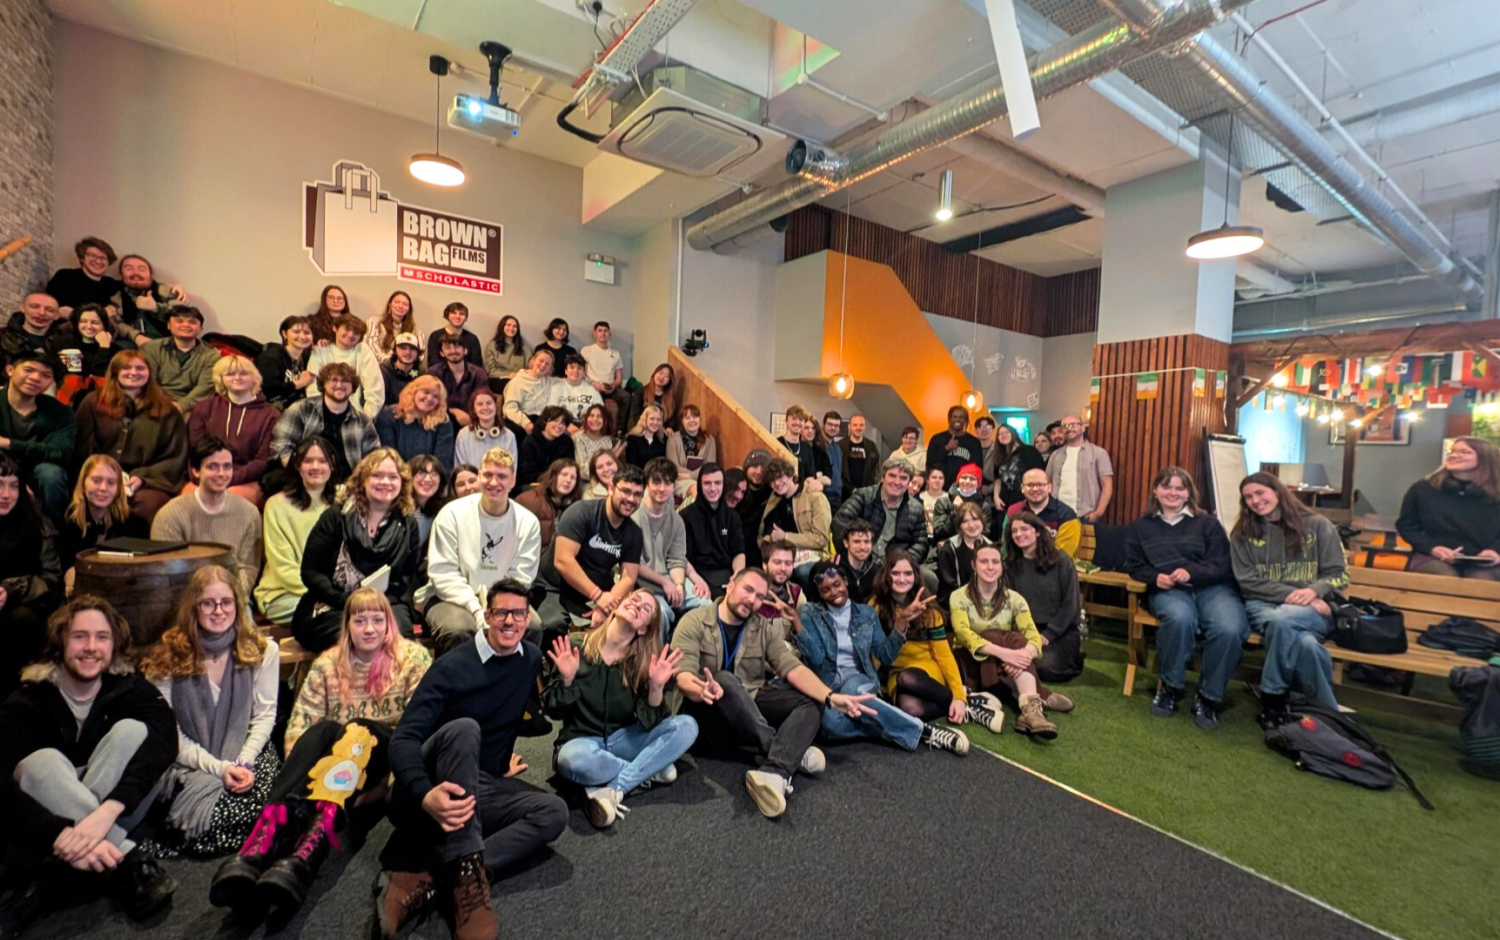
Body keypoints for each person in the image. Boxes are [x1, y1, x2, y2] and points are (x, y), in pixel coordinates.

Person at [209, 588, 433, 913]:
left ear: (389, 623)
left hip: (382, 759)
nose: (369, 629)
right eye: (360, 621)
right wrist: (305, 783)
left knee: (358, 729)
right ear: (347, 625)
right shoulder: (328, 663)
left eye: (377, 620)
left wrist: (385, 789)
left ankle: (306, 855)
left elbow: (420, 733)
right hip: (330, 775)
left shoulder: (413, 659)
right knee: (321, 730)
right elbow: (298, 727)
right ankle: (258, 847)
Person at [375, 578, 568, 940]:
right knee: (464, 728)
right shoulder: (451, 666)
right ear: (487, 616)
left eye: (519, 614)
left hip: (476, 782)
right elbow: (403, 739)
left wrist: (501, 764)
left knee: (554, 812)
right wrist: (424, 793)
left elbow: (511, 716)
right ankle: (467, 878)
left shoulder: (530, 660)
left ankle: (440, 875)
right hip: (428, 788)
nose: (510, 621)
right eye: (501, 613)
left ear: (528, 619)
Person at [0, 596, 179, 926]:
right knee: (40, 763)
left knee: (133, 731)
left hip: (118, 810)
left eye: (102, 637)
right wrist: (57, 833)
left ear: (114, 644)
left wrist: (106, 811)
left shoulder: (129, 686)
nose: (91, 647)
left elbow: (166, 739)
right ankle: (125, 861)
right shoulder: (27, 700)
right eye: (79, 636)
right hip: (50, 820)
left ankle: (58, 867)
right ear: (60, 642)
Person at [673, 567, 870, 819]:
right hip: (706, 714)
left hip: (748, 711)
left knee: (811, 700)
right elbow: (683, 675)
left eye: (759, 597)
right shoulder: (694, 620)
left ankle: (774, 772)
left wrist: (830, 697)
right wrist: (701, 688)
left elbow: (791, 667)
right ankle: (785, 750)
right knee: (724, 680)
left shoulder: (762, 627)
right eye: (747, 590)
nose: (752, 600)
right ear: (730, 585)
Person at [139, 566, 281, 856]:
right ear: (194, 607)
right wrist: (220, 769)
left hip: (245, 753)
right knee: (219, 819)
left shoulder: (262, 650)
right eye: (208, 603)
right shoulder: (168, 657)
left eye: (226, 602)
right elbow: (170, 735)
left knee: (269, 806)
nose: (219, 611)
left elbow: (264, 716)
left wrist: (243, 762)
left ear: (237, 605)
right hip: (188, 762)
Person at [544, 591, 698, 828]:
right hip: (582, 743)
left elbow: (652, 723)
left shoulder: (644, 663)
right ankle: (647, 770)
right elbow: (552, 712)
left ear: (644, 629)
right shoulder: (576, 646)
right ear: (616, 608)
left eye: (646, 608)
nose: (637, 605)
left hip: (622, 740)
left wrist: (656, 687)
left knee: (687, 725)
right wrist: (567, 681)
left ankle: (616, 786)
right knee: (571, 760)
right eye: (634, 599)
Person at [796, 561, 970, 755]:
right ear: (819, 594)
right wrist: (798, 626)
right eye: (825, 590)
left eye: (837, 584)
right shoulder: (810, 612)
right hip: (828, 683)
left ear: (845, 581)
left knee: (853, 690)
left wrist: (900, 624)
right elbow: (816, 659)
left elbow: (885, 656)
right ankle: (886, 729)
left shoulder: (866, 613)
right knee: (830, 724)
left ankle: (924, 732)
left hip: (859, 678)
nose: (834, 592)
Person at [1125, 467, 1247, 730]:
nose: (1173, 493)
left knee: (1229, 628)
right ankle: (1169, 687)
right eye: (1166, 486)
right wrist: (1155, 578)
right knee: (1179, 619)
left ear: (1189, 492)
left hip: (1213, 588)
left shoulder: (1208, 524)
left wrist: (1191, 572)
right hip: (1169, 590)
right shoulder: (1140, 527)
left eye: (1180, 488)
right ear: (1155, 490)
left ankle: (1209, 697)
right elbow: (1133, 566)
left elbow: (1222, 564)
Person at [1231, 472, 1349, 722]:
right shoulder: (1242, 533)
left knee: (1284, 619)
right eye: (1248, 497)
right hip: (1263, 605)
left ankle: (1272, 695)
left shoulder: (1318, 525)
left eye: (1260, 492)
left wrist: (1314, 591)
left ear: (1277, 491)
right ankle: (1328, 714)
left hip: (1315, 609)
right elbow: (1247, 581)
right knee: (1306, 644)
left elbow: (1340, 575)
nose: (1255, 500)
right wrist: (1298, 596)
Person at [294, 448, 422, 652]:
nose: (385, 482)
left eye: (392, 477)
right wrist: (350, 602)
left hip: (385, 604)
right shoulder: (335, 517)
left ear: (402, 483)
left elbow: (405, 577)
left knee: (400, 642)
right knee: (357, 638)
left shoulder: (408, 525)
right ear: (362, 480)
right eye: (377, 475)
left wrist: (376, 606)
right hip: (333, 605)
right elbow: (310, 572)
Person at [420, 448, 542, 654]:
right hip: (449, 597)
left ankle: (511, 676)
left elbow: (520, 577)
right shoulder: (451, 514)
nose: (494, 482)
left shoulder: (527, 522)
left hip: (503, 599)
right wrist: (477, 609)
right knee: (460, 631)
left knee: (533, 626)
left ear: (513, 480)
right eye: (488, 475)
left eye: (501, 476)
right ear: (479, 476)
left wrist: (496, 609)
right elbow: (444, 573)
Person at [872, 551, 1001, 734]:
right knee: (910, 710)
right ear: (886, 575)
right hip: (897, 672)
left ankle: (962, 700)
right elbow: (874, 654)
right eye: (895, 573)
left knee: (908, 677)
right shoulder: (876, 607)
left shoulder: (929, 611)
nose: (902, 579)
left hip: (927, 669)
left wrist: (958, 695)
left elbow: (944, 655)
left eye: (908, 573)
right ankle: (970, 703)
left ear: (916, 576)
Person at [949, 544, 1064, 739]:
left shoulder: (1015, 599)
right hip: (970, 665)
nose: (990, 566)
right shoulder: (959, 596)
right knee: (994, 635)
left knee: (1018, 639)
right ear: (974, 565)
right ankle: (1039, 694)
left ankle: (1030, 709)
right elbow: (963, 633)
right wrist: (1007, 654)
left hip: (997, 667)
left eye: (995, 562)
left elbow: (1033, 635)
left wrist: (1024, 654)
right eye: (984, 561)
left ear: (1001, 567)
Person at [73, 350, 189, 524]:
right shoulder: (93, 402)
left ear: (149, 373)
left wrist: (142, 478)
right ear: (115, 372)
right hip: (98, 475)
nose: (134, 372)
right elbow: (82, 447)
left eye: (140, 368)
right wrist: (102, 476)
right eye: (126, 368)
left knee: (149, 503)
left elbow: (174, 457)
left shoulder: (167, 410)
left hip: (145, 481)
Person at [151, 438, 263, 596]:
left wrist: (229, 599)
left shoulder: (249, 513)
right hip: (185, 600)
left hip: (233, 599)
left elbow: (248, 568)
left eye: (227, 466)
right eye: (212, 467)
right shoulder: (170, 515)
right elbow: (167, 574)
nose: (221, 473)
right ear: (195, 471)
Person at [545, 465, 645, 624]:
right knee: (555, 624)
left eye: (637, 494)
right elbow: (562, 560)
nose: (631, 499)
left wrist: (607, 605)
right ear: (611, 488)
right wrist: (597, 596)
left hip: (593, 593)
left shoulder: (634, 533)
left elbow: (628, 577)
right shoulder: (581, 512)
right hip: (554, 587)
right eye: (625, 491)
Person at [0, 454, 63, 700]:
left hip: (24, 608)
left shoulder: (36, 525)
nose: (6, 494)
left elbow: (52, 581)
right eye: (0, 485)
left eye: (14, 486)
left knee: (21, 620)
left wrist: (11, 589)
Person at [254, 438, 334, 625]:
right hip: (283, 594)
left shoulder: (342, 502)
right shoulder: (276, 505)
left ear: (332, 464)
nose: (315, 467)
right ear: (298, 465)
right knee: (339, 615)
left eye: (323, 461)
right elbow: (283, 568)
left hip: (330, 596)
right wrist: (330, 594)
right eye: (308, 461)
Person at [1396, 435, 1500, 579]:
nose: (1454, 455)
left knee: (1481, 581)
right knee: (1444, 577)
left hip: (1483, 561)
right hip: (1431, 556)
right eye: (1452, 451)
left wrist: (1495, 551)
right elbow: (1407, 526)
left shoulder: (1496, 494)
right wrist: (1432, 548)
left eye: (1465, 452)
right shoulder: (1422, 489)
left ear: (1486, 459)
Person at [632, 457, 713, 638]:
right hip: (644, 582)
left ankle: (688, 649)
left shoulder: (676, 520)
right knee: (660, 613)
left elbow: (677, 558)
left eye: (668, 483)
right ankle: (657, 654)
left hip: (670, 578)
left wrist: (679, 585)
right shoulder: (634, 517)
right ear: (647, 484)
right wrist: (665, 583)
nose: (662, 489)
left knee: (706, 604)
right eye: (657, 482)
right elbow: (635, 564)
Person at [1006, 511, 1085, 688]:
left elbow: (1071, 604)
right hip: (1025, 630)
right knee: (1008, 659)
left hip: (1057, 632)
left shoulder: (1061, 560)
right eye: (1014, 531)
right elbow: (1010, 604)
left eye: (1024, 529)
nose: (1019, 534)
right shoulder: (1011, 564)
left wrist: (1048, 635)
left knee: (1045, 667)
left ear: (1037, 532)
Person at [186, 356, 277, 506]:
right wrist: (208, 476)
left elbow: (263, 460)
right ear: (221, 379)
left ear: (254, 377)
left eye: (243, 373)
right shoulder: (204, 408)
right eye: (230, 374)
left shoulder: (271, 415)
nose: (237, 378)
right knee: (188, 499)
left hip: (248, 479)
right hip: (208, 474)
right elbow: (197, 450)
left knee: (230, 500)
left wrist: (228, 478)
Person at [270, 360, 379, 485]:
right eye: (333, 380)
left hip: (346, 485)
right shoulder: (301, 409)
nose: (339, 385)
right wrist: (302, 473)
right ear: (323, 384)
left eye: (345, 381)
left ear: (352, 387)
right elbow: (281, 446)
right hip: (302, 481)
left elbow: (373, 458)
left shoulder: (363, 421)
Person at [0, 351, 75, 522]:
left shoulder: (61, 413)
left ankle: (54, 530)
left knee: (50, 474)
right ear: (10, 370)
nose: (36, 378)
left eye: (46, 375)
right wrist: (15, 481)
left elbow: (60, 452)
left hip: (38, 473)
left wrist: (9, 443)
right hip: (3, 470)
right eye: (28, 370)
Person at [57, 455, 149, 591]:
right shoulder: (67, 523)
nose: (103, 488)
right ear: (83, 484)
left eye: (111, 482)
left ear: (118, 488)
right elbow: (64, 568)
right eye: (96, 480)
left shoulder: (136, 525)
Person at [833, 457, 931, 568]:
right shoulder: (863, 496)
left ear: (908, 482)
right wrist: (850, 556)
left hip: (895, 567)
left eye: (903, 478)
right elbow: (840, 522)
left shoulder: (916, 509)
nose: (897, 482)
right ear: (883, 477)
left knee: (928, 576)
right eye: (892, 476)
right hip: (858, 561)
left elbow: (920, 543)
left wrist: (903, 563)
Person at [758, 458, 832, 580]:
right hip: (783, 552)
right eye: (772, 480)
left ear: (790, 474)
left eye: (780, 477)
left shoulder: (814, 496)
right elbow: (767, 531)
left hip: (813, 554)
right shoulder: (774, 499)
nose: (777, 483)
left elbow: (821, 539)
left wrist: (785, 536)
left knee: (802, 572)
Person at [681, 462, 745, 598]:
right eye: (707, 483)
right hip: (696, 574)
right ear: (699, 485)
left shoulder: (732, 517)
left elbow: (739, 552)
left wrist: (738, 574)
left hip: (726, 574)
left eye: (717, 483)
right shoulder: (686, 516)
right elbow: (682, 557)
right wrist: (697, 580)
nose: (713, 488)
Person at [140, 306, 220, 412]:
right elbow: (149, 380)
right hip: (155, 402)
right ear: (169, 325)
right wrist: (163, 404)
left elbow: (204, 388)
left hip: (192, 407)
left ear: (201, 328)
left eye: (192, 322)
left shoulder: (211, 355)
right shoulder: (151, 348)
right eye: (179, 321)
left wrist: (182, 406)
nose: (186, 325)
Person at [307, 314, 385, 419]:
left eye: (356, 332)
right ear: (335, 328)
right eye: (347, 329)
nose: (351, 334)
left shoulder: (363, 351)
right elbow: (313, 388)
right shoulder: (320, 350)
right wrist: (321, 415)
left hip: (356, 415)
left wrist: (365, 418)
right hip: (324, 416)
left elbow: (375, 388)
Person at [376, 375, 455, 471]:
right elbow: (388, 456)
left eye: (436, 397)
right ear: (413, 391)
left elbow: (442, 463)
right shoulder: (388, 415)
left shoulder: (443, 423)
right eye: (426, 392)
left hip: (429, 476)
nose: (430, 398)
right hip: (396, 474)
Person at [1046, 414, 1114, 522]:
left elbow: (1107, 485)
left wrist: (1098, 513)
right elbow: (1047, 482)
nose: (1069, 428)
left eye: (1073, 425)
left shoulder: (1098, 453)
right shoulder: (1055, 455)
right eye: (1065, 426)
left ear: (1082, 428)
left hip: (1085, 515)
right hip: (1058, 514)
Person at [1003, 468, 1081, 556]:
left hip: (1054, 563)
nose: (1035, 489)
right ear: (1022, 488)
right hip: (1018, 563)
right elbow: (1006, 547)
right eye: (1030, 485)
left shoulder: (1067, 516)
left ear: (1049, 487)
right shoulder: (1013, 511)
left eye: (1040, 484)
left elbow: (1062, 555)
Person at [108, 254, 183, 343]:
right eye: (129, 268)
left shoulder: (165, 290)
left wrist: (156, 308)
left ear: (150, 274)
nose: (136, 273)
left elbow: (183, 315)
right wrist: (136, 336)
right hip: (131, 345)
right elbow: (114, 321)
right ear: (121, 274)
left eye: (142, 269)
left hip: (168, 344)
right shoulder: (115, 295)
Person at [2, 291, 79, 375]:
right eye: (35, 306)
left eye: (49, 310)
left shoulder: (68, 343)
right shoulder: (3, 337)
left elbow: (74, 375)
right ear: (23, 308)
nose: (42, 313)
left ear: (57, 315)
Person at [515, 458, 580, 553]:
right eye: (564, 474)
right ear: (553, 476)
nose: (568, 480)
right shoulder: (528, 500)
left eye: (573, 477)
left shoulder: (576, 507)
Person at [44, 238, 122, 313]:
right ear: (82, 258)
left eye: (103, 258)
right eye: (93, 256)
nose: (98, 261)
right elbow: (56, 310)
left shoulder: (111, 284)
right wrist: (100, 314)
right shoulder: (65, 276)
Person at [254, 315, 315, 411]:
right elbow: (268, 389)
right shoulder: (270, 358)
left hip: (297, 409)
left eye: (307, 333)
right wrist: (299, 383)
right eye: (296, 332)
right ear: (285, 334)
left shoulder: (308, 357)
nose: (303, 336)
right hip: (269, 410)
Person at [430, 333, 490, 429]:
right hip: (442, 421)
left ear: (465, 350)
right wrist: (454, 411)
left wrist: (471, 419)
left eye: (457, 347)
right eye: (448, 348)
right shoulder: (434, 373)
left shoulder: (478, 373)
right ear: (442, 353)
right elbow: (431, 401)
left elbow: (484, 400)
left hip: (473, 421)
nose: (453, 351)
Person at [936, 501, 990, 603]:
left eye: (975, 519)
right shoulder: (949, 549)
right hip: (957, 602)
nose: (971, 525)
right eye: (965, 521)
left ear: (982, 521)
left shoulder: (991, 547)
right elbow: (948, 587)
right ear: (959, 525)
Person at [454, 388, 517, 470]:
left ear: (496, 406)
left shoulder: (509, 436)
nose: (485, 407)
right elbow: (461, 470)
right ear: (474, 410)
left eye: (489, 403)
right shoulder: (463, 435)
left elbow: (511, 470)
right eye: (480, 404)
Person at [501, 347, 556, 436]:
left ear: (550, 368)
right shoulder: (517, 381)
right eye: (541, 361)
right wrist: (525, 423)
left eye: (547, 364)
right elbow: (509, 409)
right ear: (533, 361)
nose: (543, 365)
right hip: (521, 419)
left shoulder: (550, 381)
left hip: (541, 420)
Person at [666, 404, 718, 497]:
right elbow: (674, 466)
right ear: (682, 421)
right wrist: (691, 476)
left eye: (695, 417)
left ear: (699, 419)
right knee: (696, 488)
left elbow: (710, 466)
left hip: (703, 478)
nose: (692, 420)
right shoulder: (673, 439)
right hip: (679, 479)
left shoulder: (710, 439)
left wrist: (691, 475)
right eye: (687, 418)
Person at [517, 405, 575, 489]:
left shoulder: (567, 442)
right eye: (556, 420)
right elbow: (526, 473)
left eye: (563, 423)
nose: (559, 426)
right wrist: (549, 479)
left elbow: (569, 467)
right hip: (532, 484)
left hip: (558, 484)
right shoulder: (530, 442)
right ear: (545, 421)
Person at [580, 321, 627, 422]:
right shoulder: (586, 350)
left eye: (606, 331)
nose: (603, 333)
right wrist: (593, 383)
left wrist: (613, 386)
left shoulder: (615, 354)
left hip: (610, 387)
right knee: (598, 403)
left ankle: (620, 429)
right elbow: (582, 373)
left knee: (626, 397)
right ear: (595, 334)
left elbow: (619, 378)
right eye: (600, 330)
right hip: (594, 386)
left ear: (609, 334)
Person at [990, 423, 1044, 510]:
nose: (1003, 435)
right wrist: (996, 497)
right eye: (1000, 434)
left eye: (1006, 432)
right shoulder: (999, 456)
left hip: (1025, 502)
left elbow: (1039, 475)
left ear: (1013, 433)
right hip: (1004, 503)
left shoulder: (1029, 451)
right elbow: (998, 479)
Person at [925, 406, 982, 487]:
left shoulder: (974, 442)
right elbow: (930, 463)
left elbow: (977, 468)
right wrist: (947, 448)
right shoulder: (937, 439)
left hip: (964, 487)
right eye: (954, 417)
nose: (957, 420)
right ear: (949, 419)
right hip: (940, 487)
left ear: (966, 420)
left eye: (961, 417)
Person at [777, 405, 830, 487]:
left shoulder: (806, 448)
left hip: (802, 493)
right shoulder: (777, 443)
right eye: (794, 419)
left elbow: (810, 477)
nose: (797, 422)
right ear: (786, 421)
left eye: (801, 420)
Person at [737, 449, 773, 567]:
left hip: (762, 543)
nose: (758, 471)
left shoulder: (774, 491)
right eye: (754, 466)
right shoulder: (737, 488)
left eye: (763, 467)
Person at [546, 354, 602, 428]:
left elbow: (601, 413)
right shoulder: (557, 388)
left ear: (584, 372)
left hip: (586, 428)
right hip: (561, 427)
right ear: (566, 371)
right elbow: (551, 412)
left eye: (579, 368)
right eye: (572, 367)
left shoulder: (592, 390)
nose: (575, 371)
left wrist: (586, 428)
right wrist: (566, 426)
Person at [365, 291, 420, 365]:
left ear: (409, 309)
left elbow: (420, 353)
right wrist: (389, 361)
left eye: (405, 304)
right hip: (378, 365)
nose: (400, 306)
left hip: (404, 366)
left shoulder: (413, 329)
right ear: (389, 305)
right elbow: (371, 345)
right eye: (397, 302)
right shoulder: (374, 321)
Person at [835, 414, 880, 501]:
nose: (858, 428)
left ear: (865, 427)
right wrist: (851, 489)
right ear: (849, 426)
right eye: (855, 425)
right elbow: (837, 471)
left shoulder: (872, 447)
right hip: (844, 495)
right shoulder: (840, 446)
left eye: (861, 425)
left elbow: (875, 471)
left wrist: (866, 490)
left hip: (866, 495)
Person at [426, 302, 483, 370]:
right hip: (439, 374)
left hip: (467, 375)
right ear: (447, 315)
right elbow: (433, 362)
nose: (458, 316)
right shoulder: (435, 336)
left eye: (461, 314)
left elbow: (477, 365)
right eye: (454, 313)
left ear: (466, 318)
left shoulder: (472, 339)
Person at [834, 518, 879, 603]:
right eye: (857, 542)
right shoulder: (833, 569)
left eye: (866, 541)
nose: (862, 547)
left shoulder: (877, 573)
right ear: (846, 543)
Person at [625, 363, 680, 433]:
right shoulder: (641, 392)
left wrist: (669, 427)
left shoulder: (670, 398)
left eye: (666, 376)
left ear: (670, 381)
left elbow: (671, 419)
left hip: (660, 431)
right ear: (654, 373)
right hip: (641, 429)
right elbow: (635, 414)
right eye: (661, 373)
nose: (662, 377)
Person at [942, 462, 991, 540]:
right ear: (958, 480)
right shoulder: (944, 502)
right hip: (949, 544)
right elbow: (940, 532)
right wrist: (955, 512)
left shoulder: (984, 506)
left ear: (978, 484)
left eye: (972, 479)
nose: (967, 481)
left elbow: (985, 532)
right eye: (964, 477)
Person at [573, 403, 620, 482]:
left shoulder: (611, 441)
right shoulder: (578, 438)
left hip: (609, 481)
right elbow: (582, 471)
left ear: (605, 421)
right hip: (586, 482)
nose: (595, 419)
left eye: (599, 416)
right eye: (591, 416)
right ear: (586, 419)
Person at [381, 333, 426, 409]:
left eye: (412, 349)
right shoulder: (384, 370)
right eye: (403, 348)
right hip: (388, 413)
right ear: (395, 350)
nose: (408, 352)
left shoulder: (422, 373)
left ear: (418, 353)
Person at [483, 315, 528, 388]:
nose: (511, 328)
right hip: (499, 380)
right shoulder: (492, 346)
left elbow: (529, 368)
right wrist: (508, 375)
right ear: (502, 327)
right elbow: (490, 370)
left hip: (519, 380)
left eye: (515, 326)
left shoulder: (524, 348)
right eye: (508, 325)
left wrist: (517, 376)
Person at [623, 402, 670, 470]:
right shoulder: (632, 439)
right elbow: (632, 465)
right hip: (638, 474)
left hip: (658, 474)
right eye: (652, 419)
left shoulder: (663, 439)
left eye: (658, 420)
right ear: (644, 420)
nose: (655, 422)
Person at [918, 467, 949, 539]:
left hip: (943, 538)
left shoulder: (950, 498)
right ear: (927, 480)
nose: (937, 480)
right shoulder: (919, 497)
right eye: (934, 477)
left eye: (941, 478)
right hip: (922, 537)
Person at [972, 415, 997, 487]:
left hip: (993, 487)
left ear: (993, 430)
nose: (984, 430)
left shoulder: (998, 449)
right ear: (975, 430)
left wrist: (990, 488)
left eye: (987, 426)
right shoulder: (971, 449)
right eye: (980, 427)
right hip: (972, 486)